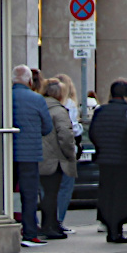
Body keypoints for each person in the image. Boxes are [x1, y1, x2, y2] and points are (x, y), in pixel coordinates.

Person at [9, 65, 54, 246]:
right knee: (28, 195)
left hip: (8, 153)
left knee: (4, 192)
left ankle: (1, 226)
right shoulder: (37, 99)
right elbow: (47, 127)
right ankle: (29, 232)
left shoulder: (5, 97)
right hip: (30, 153)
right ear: (29, 81)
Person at [90, 79, 127, 242]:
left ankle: (109, 225)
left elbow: (93, 133)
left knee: (107, 193)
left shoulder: (101, 111)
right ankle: (116, 230)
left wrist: (101, 148)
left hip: (105, 159)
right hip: (124, 159)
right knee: (120, 194)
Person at [37, 79, 78, 240]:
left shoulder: (40, 106)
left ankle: (48, 224)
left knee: (45, 193)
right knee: (52, 194)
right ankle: (51, 226)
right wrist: (70, 154)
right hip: (55, 159)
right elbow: (66, 135)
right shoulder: (59, 110)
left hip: (40, 156)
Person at [53, 73, 82, 231]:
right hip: (66, 150)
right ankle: (58, 220)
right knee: (65, 186)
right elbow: (73, 129)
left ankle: (50, 219)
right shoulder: (69, 104)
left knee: (51, 187)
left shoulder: (48, 104)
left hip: (50, 150)